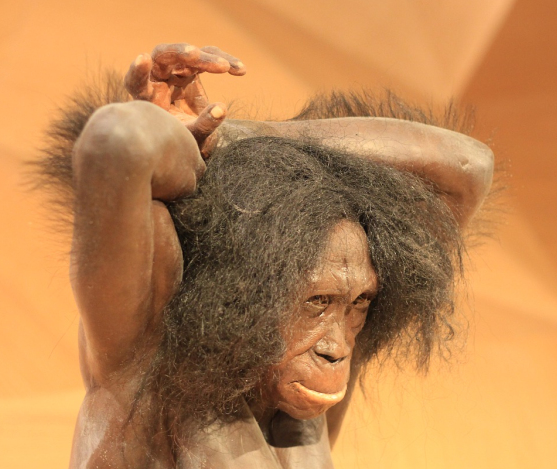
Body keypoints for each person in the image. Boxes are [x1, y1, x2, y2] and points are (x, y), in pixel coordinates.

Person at [34, 43, 494, 468]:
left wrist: (240, 138)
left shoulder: (304, 389)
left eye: (358, 304)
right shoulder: (153, 357)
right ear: (244, 297)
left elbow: (469, 167)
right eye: (318, 302)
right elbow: (117, 139)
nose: (337, 349)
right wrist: (199, 142)